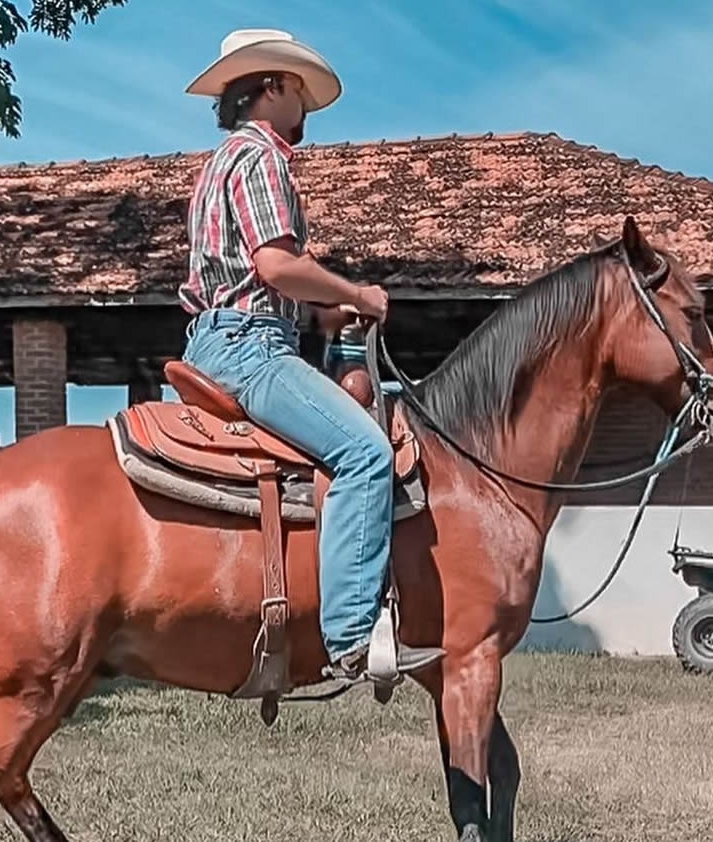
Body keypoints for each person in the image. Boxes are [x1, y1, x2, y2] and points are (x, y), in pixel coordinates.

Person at [181, 29, 445, 681]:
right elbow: (275, 263)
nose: (306, 108)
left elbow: (256, 271)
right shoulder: (261, 157)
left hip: (221, 336)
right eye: (298, 90)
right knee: (364, 452)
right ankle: (352, 637)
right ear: (270, 87)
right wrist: (358, 292)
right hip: (249, 346)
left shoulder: (217, 164)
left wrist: (323, 309)